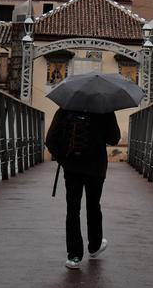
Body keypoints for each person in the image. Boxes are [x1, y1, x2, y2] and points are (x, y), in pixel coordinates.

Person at [44, 108, 121, 269]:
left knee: (73, 209)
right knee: (94, 206)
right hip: (96, 168)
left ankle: (74, 256)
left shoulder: (66, 107)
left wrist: (63, 159)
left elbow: (50, 140)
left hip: (72, 167)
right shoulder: (104, 108)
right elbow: (114, 139)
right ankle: (94, 246)